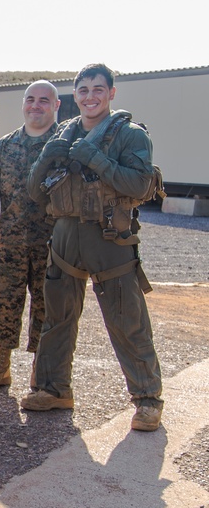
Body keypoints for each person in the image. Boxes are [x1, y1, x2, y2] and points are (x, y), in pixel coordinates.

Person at [22, 63, 164, 431]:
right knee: (57, 317)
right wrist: (46, 159)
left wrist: (95, 159)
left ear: (111, 93)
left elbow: (138, 185)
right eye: (83, 90)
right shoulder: (64, 133)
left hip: (109, 236)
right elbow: (36, 193)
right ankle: (53, 389)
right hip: (66, 233)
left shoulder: (131, 135)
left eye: (97, 89)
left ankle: (148, 400)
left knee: (127, 319)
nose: (90, 97)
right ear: (76, 95)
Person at [0, 81, 60, 389]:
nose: (36, 105)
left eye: (44, 101)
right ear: (24, 104)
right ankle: (0, 366)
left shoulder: (63, 146)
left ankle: (41, 369)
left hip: (52, 244)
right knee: (3, 303)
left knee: (46, 307)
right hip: (9, 242)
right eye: (31, 99)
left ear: (56, 106)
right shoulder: (4, 147)